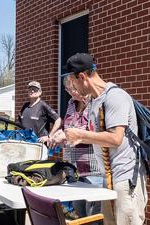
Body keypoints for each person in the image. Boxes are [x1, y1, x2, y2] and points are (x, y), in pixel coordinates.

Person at [63, 53, 147, 225]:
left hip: (126, 179)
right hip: (108, 178)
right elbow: (98, 136)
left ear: (82, 76)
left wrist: (80, 134)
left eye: (73, 81)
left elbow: (116, 138)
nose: (73, 87)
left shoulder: (115, 96)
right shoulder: (95, 100)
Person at [49, 77, 104, 222]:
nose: (71, 93)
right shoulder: (71, 103)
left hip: (93, 170)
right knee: (79, 216)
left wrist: (66, 136)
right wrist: (57, 138)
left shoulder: (95, 103)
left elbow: (93, 132)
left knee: (93, 217)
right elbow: (68, 128)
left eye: (73, 89)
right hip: (74, 169)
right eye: (67, 90)